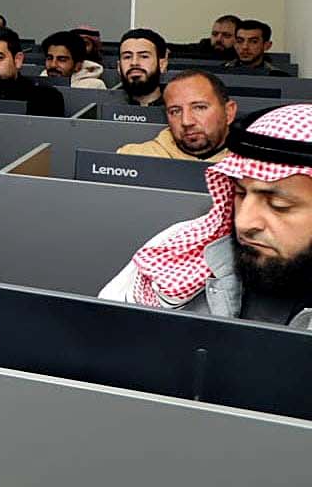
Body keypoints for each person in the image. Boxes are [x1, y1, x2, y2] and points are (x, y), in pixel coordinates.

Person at [99, 104, 312, 327]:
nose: (243, 222)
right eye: (240, 193)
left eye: (278, 205)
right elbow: (109, 326)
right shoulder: (175, 248)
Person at [116, 69, 236, 162]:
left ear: (228, 112)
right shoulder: (135, 157)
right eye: (175, 111)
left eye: (199, 108)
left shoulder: (246, 165)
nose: (186, 121)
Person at [117, 28, 168, 107]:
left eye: (144, 56)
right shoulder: (104, 105)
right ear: (118, 67)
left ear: (162, 64)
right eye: (127, 57)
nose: (134, 63)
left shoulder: (177, 106)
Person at [39, 31, 105, 89]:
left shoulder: (93, 86)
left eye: (62, 60)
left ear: (78, 65)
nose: (53, 65)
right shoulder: (41, 80)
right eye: (49, 58)